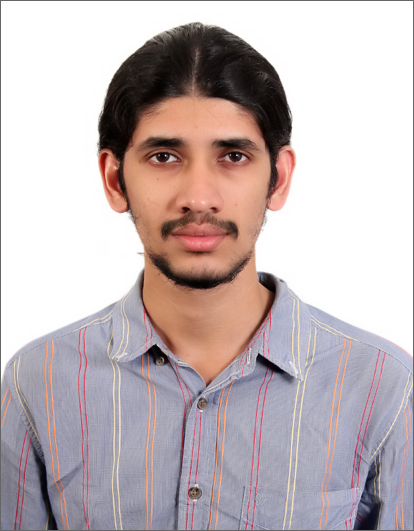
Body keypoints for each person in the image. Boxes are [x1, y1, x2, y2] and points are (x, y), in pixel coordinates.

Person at [1, 22, 412, 531]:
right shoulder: (38, 383)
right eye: (164, 156)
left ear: (279, 178)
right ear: (114, 179)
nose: (198, 197)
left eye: (233, 156)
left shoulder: (383, 389)